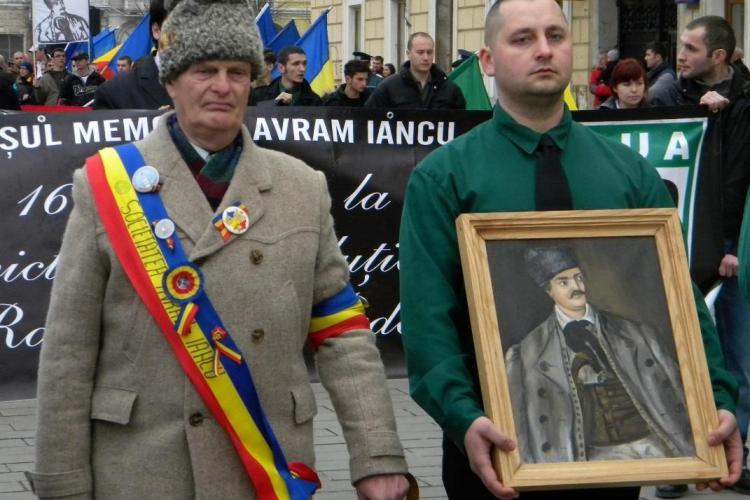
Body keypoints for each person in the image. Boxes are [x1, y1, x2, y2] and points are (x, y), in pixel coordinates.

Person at [26, 0, 412, 498]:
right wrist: (62, 483)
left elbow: (342, 331)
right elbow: (69, 349)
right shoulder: (106, 185)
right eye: (204, 70)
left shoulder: (302, 186)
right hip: (143, 474)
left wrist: (378, 454)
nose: (223, 86)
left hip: (266, 465)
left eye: (237, 72)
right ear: (171, 81)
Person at [399, 1, 742, 500]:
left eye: (555, 36)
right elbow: (428, 318)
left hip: (615, 465)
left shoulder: (628, 173)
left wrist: (714, 399)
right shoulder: (444, 177)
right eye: (523, 39)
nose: (544, 50)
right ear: (488, 60)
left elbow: (677, 303)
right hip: (495, 450)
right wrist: (461, 416)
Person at [651, 15, 750, 499]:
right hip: (680, 247)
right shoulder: (669, 95)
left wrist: (734, 245)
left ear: (719, 56)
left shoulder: (745, 100)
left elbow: (738, 176)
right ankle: (676, 459)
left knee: (737, 359)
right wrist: (697, 112)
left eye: (691, 48)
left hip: (733, 249)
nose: (680, 55)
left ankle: (733, 454)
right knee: (675, 353)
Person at [508, 247, 693, 464]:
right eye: (563, 282)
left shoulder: (639, 334)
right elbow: (519, 432)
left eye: (578, 278)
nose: (576, 287)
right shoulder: (526, 355)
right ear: (549, 291)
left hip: (657, 446)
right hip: (591, 458)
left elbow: (681, 392)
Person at [92, 0, 173, 110]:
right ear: (156, 30)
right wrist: (152, 119)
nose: (189, 34)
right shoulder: (113, 93)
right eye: (178, 24)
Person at [365, 32, 466, 109]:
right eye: (420, 52)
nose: (426, 57)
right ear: (408, 53)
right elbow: (369, 120)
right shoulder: (388, 87)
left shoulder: (449, 89)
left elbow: (461, 123)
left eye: (429, 52)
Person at [250, 46, 322, 106]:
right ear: (281, 68)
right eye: (296, 64)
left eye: (304, 64)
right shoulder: (258, 95)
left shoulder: (315, 101)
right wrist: (273, 104)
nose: (302, 69)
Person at [643, 41, 675, 106]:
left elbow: (646, 97)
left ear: (658, 57)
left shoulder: (667, 76)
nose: (645, 58)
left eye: (648, 55)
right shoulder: (651, 74)